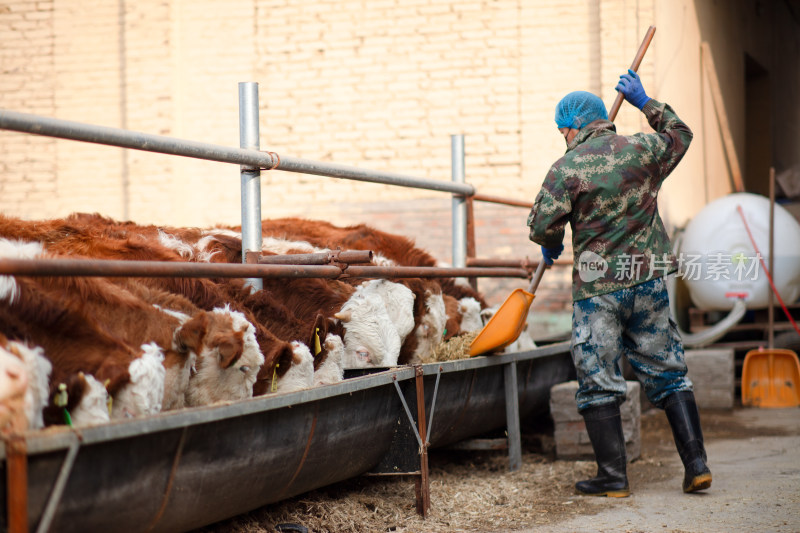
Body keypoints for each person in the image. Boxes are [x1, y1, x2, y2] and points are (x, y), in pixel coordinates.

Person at [527, 69, 711, 497]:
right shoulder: (643, 148)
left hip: (598, 293)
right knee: (669, 374)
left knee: (597, 378)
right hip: (646, 282)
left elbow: (541, 225)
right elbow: (680, 134)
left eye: (562, 129)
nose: (562, 136)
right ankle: (697, 465)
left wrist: (551, 244)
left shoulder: (566, 167)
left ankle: (614, 478)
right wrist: (646, 102)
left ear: (572, 127)